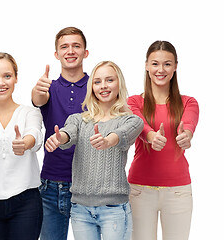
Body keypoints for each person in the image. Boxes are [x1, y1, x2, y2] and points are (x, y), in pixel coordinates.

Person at [45, 61, 143, 240]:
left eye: (109, 80)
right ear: (92, 87)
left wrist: (108, 140)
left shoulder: (130, 120)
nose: (103, 86)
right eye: (97, 82)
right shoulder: (78, 119)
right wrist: (60, 138)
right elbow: (69, 132)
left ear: (119, 83)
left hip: (114, 209)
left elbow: (122, 135)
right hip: (81, 209)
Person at [127, 40, 198, 240]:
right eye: (155, 63)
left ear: (175, 67)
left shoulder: (188, 102)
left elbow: (190, 122)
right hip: (140, 191)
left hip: (178, 193)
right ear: (146, 66)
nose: (161, 69)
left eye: (167, 64)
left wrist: (187, 136)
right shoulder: (133, 102)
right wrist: (151, 136)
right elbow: (138, 124)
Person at [0, 53, 44, 239]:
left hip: (26, 200)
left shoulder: (31, 112)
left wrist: (25, 144)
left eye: (7, 76)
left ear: (16, 78)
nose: (0, 83)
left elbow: (34, 135)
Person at [31, 26, 90, 240]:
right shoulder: (49, 88)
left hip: (89, 185)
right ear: (57, 54)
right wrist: (37, 91)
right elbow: (38, 99)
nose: (70, 51)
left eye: (76, 46)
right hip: (51, 186)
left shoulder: (97, 87)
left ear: (86, 52)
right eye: (64, 47)